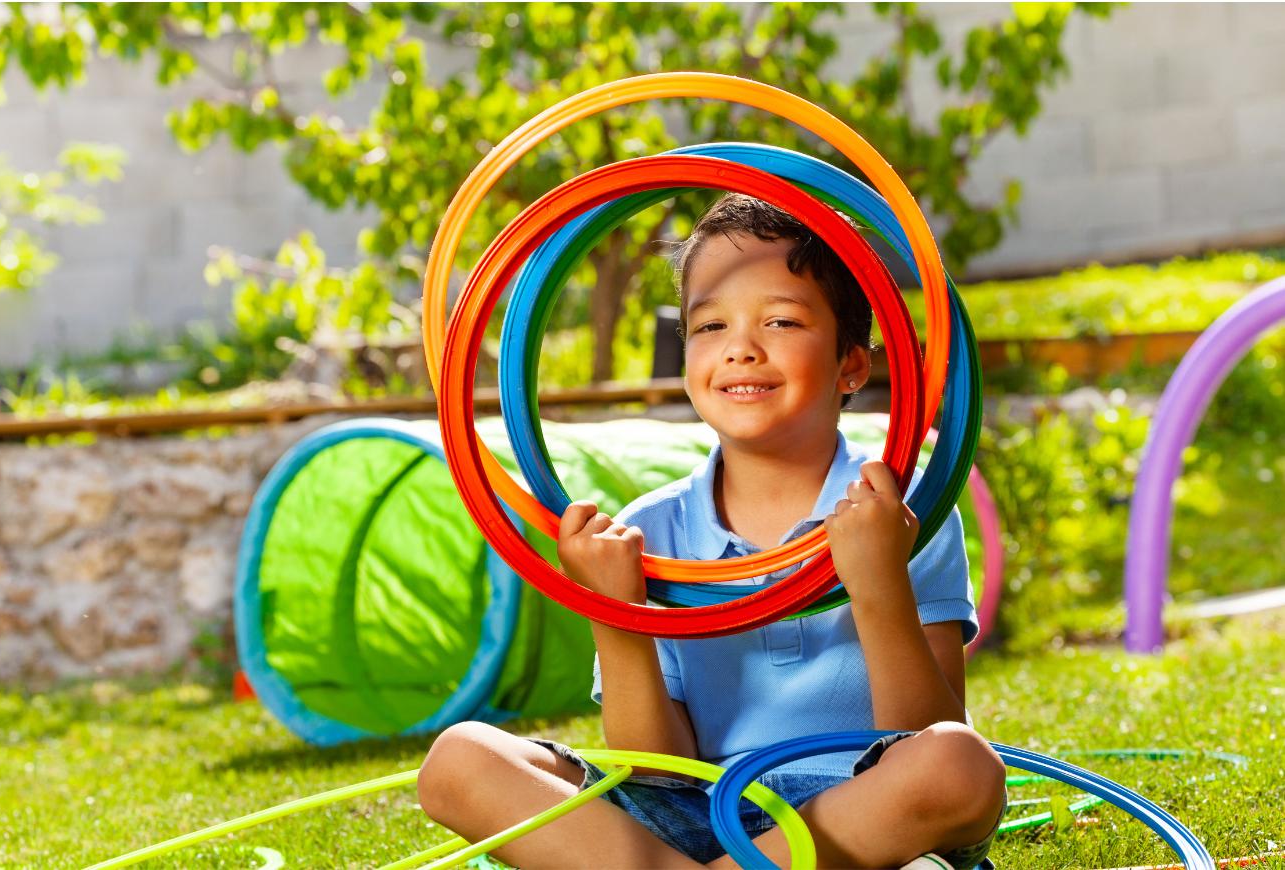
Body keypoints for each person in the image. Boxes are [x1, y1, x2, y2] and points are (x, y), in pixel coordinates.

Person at [418, 193, 1008, 869]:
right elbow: (658, 772)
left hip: (857, 806)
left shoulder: (900, 516)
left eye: (781, 321)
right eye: (709, 327)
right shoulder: (648, 530)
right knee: (459, 760)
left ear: (852, 363)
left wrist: (877, 582)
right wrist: (620, 616)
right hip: (696, 808)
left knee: (960, 765)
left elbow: (923, 732)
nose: (741, 350)